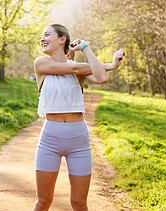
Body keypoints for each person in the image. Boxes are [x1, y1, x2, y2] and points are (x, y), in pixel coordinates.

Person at [33, 23, 125, 211]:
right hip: (50, 138)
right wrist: (110, 65)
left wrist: (86, 48)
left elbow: (101, 78)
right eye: (42, 35)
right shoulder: (41, 63)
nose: (42, 38)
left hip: (78, 140)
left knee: (79, 203)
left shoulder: (78, 68)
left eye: (47, 34)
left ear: (62, 39)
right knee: (43, 201)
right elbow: (77, 69)